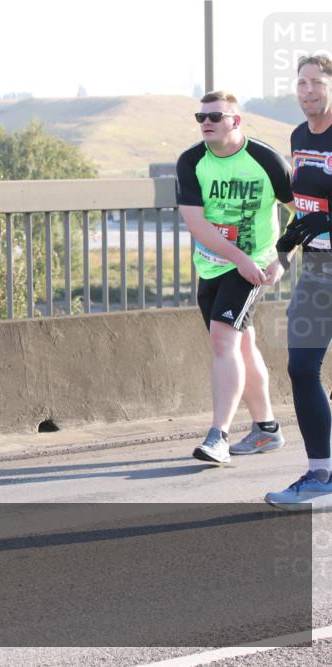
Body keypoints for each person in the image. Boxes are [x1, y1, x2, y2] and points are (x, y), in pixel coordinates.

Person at [175, 91, 294, 464]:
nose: (206, 123)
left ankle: (218, 437)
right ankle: (267, 429)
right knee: (243, 345)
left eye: (215, 116)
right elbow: (196, 223)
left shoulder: (265, 160)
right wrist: (236, 258)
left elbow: (301, 213)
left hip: (253, 266)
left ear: (236, 121)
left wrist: (282, 259)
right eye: (201, 117)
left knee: (222, 340)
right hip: (213, 264)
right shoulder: (191, 161)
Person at [265, 54, 332, 510]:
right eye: (301, 83)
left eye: (317, 82)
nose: (307, 91)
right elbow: (304, 207)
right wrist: (284, 249)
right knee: (302, 368)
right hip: (319, 269)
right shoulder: (298, 136)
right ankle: (321, 475)